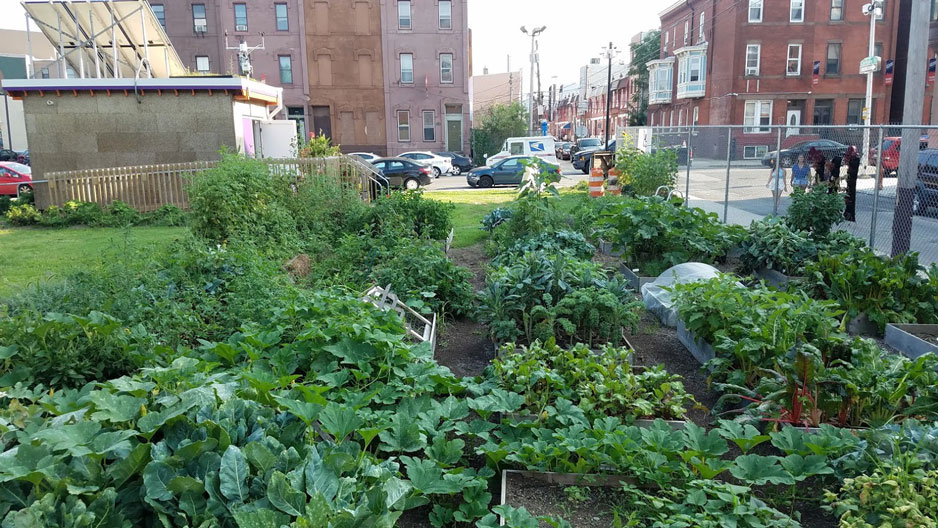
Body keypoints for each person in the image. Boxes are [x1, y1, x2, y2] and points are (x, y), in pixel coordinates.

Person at [844, 146, 860, 221]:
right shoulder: (850, 158)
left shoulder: (856, 159)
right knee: (848, 195)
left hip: (853, 180)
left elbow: (853, 168)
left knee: (851, 196)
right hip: (850, 179)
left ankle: (850, 215)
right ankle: (847, 213)